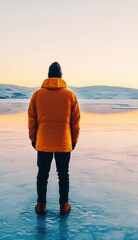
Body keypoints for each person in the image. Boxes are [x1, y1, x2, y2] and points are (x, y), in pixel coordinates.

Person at [28, 62, 80, 215]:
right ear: (61, 75)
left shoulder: (37, 95)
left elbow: (32, 119)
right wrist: (74, 140)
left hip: (43, 141)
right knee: (63, 175)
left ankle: (41, 205)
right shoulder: (70, 95)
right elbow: (75, 121)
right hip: (64, 142)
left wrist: (33, 138)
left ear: (48, 75)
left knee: (42, 174)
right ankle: (64, 205)